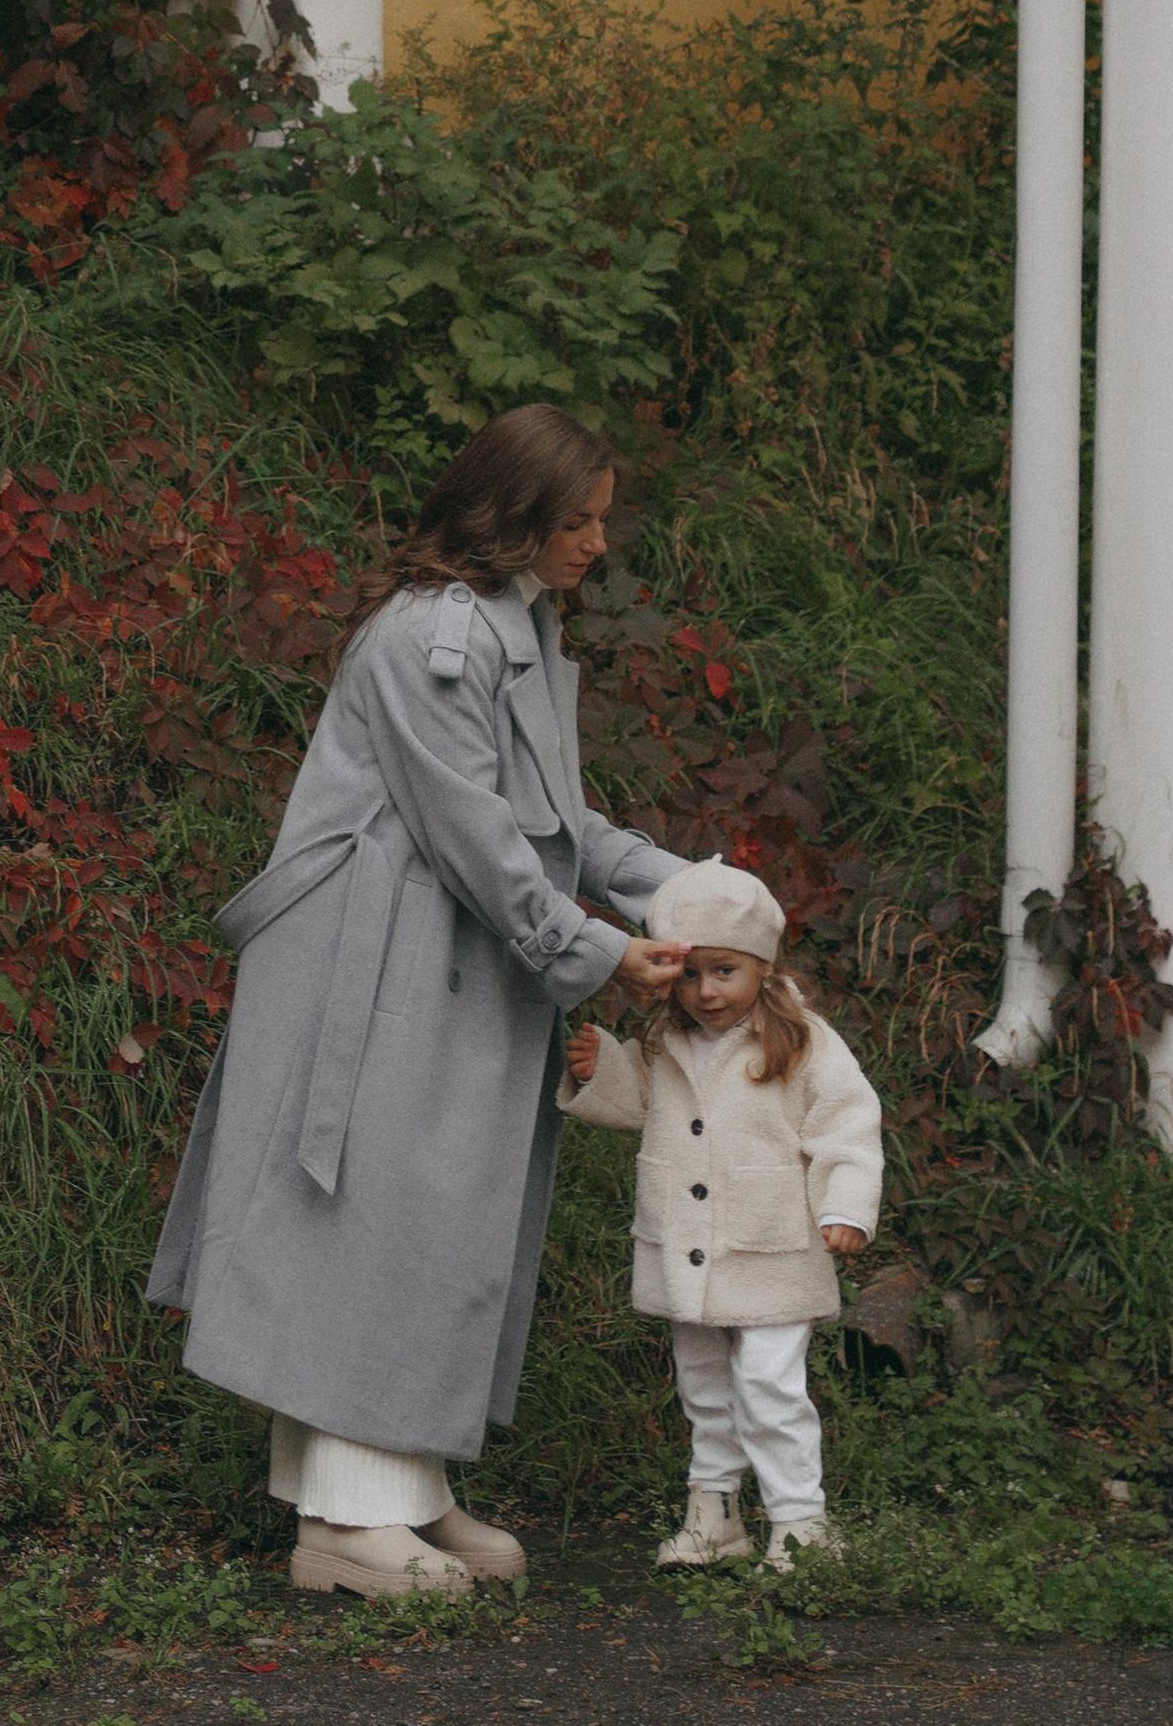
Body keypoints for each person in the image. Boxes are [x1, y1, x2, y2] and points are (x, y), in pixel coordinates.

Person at [148, 404, 698, 1600]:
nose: (597, 545)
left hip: (435, 952)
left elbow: (556, 821)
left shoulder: (518, 629)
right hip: (374, 957)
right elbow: (478, 838)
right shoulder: (427, 642)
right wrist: (597, 953)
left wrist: (685, 891)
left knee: (433, 1219)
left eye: (602, 522)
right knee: (370, 1215)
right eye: (579, 522)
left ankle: (400, 1489)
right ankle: (344, 1523)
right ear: (515, 517)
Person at [559, 860, 883, 1572]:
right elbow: (639, 1105)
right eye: (690, 974)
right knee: (702, 1386)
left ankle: (801, 1523)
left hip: (770, 1247)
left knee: (770, 1386)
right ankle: (716, 1513)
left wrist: (846, 1206)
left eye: (725, 971)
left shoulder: (802, 1042)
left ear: (764, 967)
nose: (706, 992)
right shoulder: (663, 1040)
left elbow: (847, 1124)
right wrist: (601, 1069)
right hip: (685, 1245)